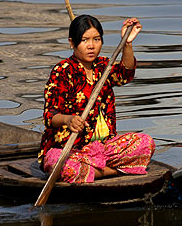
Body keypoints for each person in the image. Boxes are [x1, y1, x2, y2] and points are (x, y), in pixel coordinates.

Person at [38, 14, 155, 183]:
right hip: (69, 149)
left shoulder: (104, 66)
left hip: (104, 148)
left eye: (96, 39)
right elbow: (49, 116)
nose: (91, 46)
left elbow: (125, 74)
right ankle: (115, 172)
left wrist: (127, 43)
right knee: (61, 165)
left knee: (145, 143)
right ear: (72, 43)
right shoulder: (62, 71)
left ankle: (94, 171)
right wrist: (68, 120)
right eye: (85, 40)